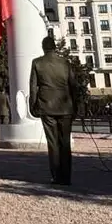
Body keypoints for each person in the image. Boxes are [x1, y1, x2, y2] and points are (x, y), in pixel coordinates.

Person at [30, 35, 80, 185]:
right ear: (55, 47)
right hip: (65, 107)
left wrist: (33, 106)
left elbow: (33, 87)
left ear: (44, 47)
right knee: (65, 143)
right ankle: (67, 177)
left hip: (47, 106)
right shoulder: (65, 63)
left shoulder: (37, 63)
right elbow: (74, 86)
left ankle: (56, 176)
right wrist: (76, 105)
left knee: (53, 143)